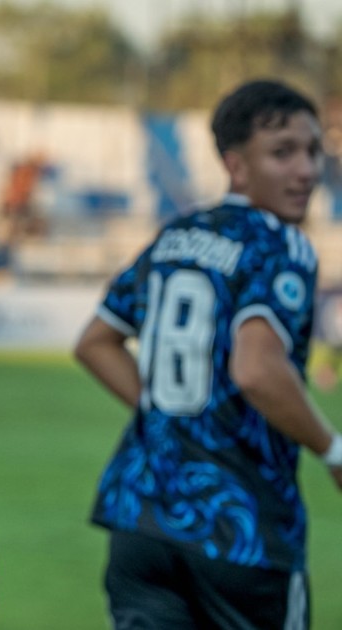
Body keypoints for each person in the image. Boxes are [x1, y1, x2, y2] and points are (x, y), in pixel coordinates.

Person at [73, 79, 342, 629]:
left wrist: (174, 416)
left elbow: (95, 343)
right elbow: (257, 370)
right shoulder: (280, 244)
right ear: (236, 165)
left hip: (141, 517)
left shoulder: (177, 233)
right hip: (240, 528)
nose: (306, 170)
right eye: (283, 152)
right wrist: (333, 450)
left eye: (314, 151)